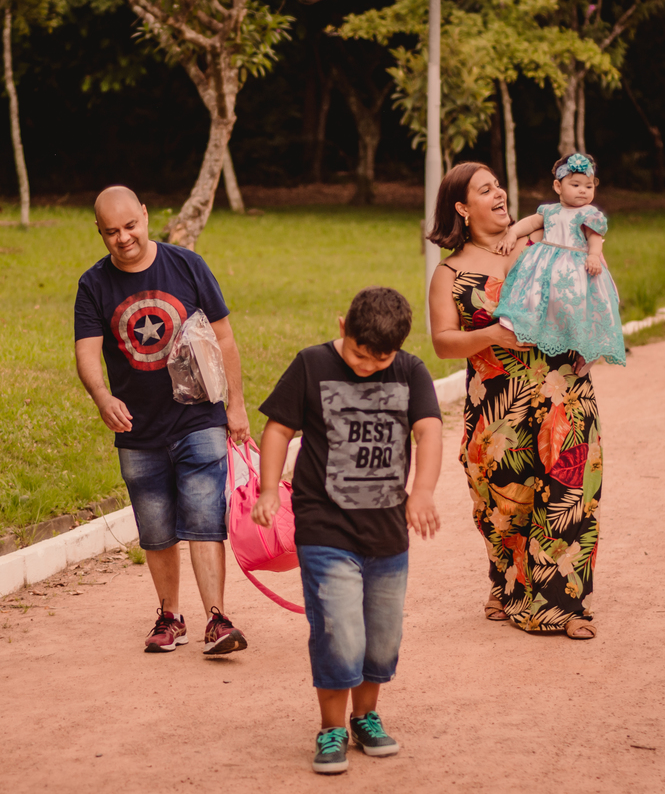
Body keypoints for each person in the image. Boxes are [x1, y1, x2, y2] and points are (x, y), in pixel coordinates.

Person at [251, 287, 443, 775]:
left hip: (385, 533)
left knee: (380, 637)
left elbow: (429, 430)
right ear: (343, 328)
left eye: (381, 358)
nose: (367, 365)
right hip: (324, 526)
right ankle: (331, 727)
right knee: (339, 631)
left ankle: (366, 717)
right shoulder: (311, 365)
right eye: (360, 353)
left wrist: (421, 491)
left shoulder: (411, 371)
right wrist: (270, 490)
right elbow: (277, 428)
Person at [74, 186, 251, 655]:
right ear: (99, 231)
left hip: (198, 417)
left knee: (204, 520)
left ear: (147, 216)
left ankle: (217, 618)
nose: (123, 238)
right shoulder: (93, 285)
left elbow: (224, 338)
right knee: (155, 529)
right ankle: (170, 617)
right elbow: (86, 353)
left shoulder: (187, 265)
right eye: (111, 232)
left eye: (130, 226)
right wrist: (102, 397)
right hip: (138, 428)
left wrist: (236, 406)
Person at [427, 163, 600, 641]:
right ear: (463, 208)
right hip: (499, 405)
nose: (500, 194)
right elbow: (443, 341)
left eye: (499, 185)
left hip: (564, 388)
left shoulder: (540, 240)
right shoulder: (451, 273)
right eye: (486, 190)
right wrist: (491, 333)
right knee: (504, 504)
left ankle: (565, 607)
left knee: (571, 498)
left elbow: (588, 286)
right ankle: (507, 584)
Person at [495, 153, 625, 376]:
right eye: (575, 185)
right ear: (558, 186)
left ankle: (587, 349)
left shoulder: (589, 214)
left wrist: (594, 255)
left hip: (577, 269)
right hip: (545, 267)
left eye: (588, 186)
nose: (583, 190)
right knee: (538, 298)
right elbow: (529, 223)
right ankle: (530, 329)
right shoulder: (549, 211)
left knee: (579, 308)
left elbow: (594, 238)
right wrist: (511, 234)